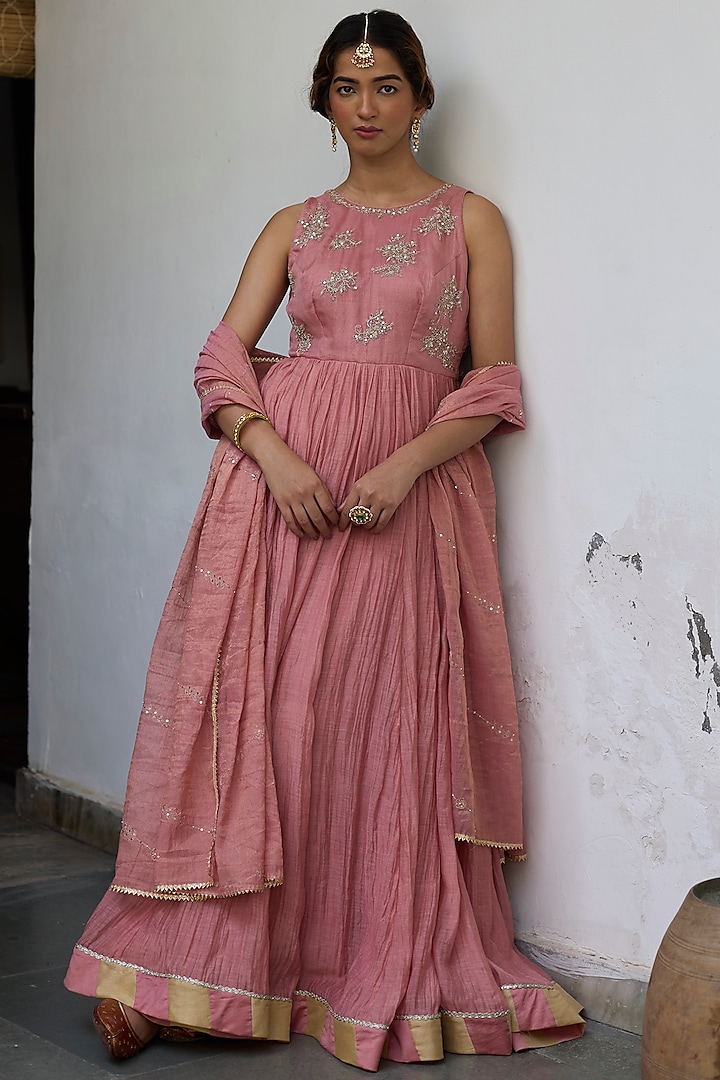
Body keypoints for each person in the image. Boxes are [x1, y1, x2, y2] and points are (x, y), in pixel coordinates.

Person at [65, 10, 585, 1070]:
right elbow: (223, 356)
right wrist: (276, 455)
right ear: (323, 102)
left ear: (420, 98)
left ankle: (335, 967)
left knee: (378, 732)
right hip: (284, 503)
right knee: (273, 728)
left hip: (404, 506)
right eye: (347, 90)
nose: (367, 108)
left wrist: (404, 464)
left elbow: (492, 381)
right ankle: (191, 974)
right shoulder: (292, 224)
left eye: (387, 86)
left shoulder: (469, 222)